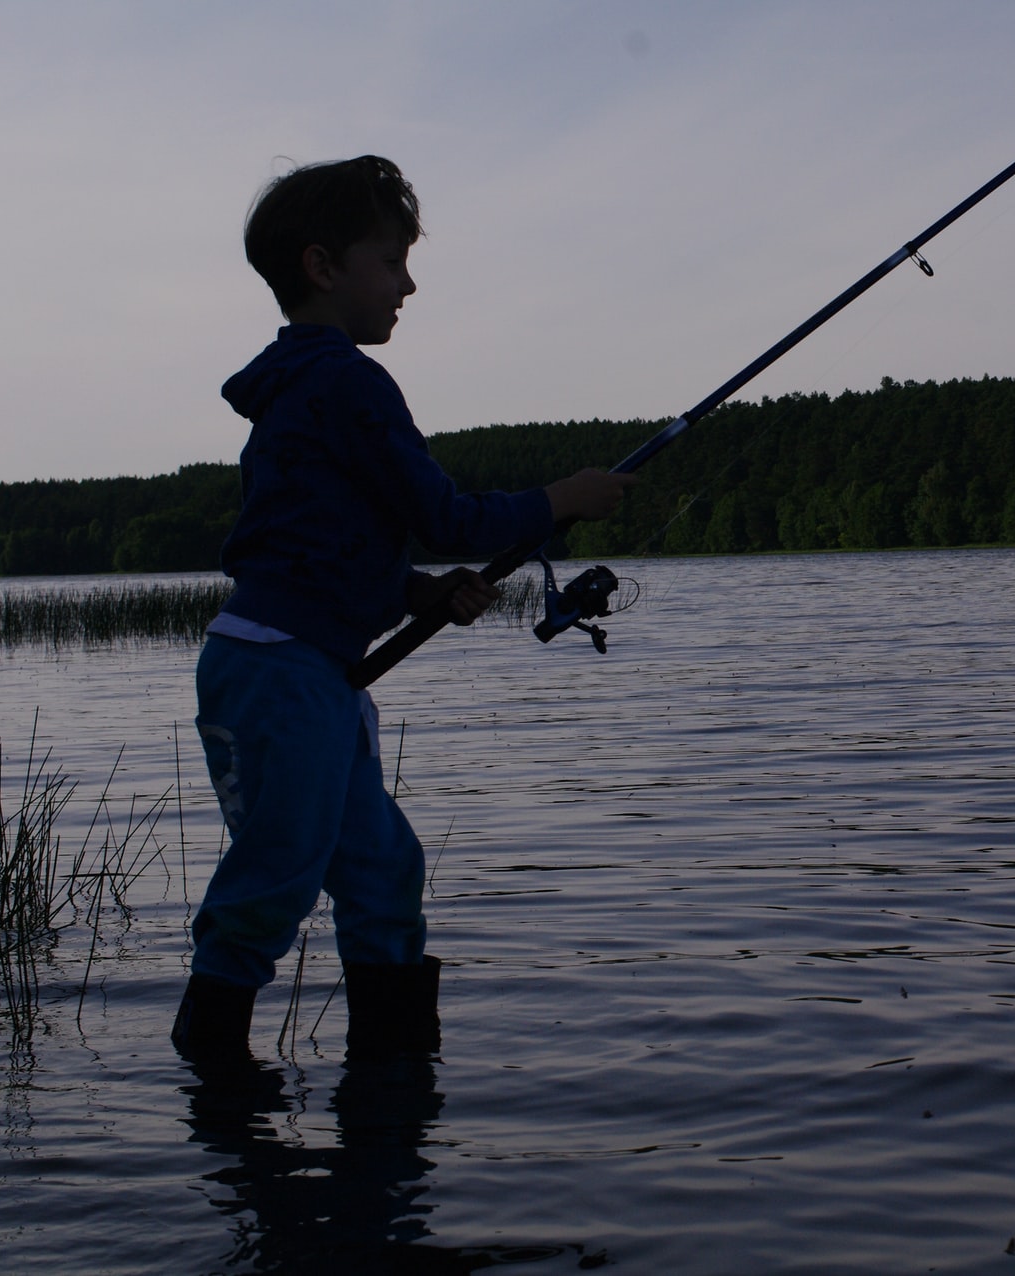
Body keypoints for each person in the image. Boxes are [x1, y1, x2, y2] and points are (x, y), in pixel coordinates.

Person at [172, 155, 631, 1066]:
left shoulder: (307, 391)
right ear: (322, 267)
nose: (408, 283)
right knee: (275, 879)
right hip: (281, 671)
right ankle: (216, 1083)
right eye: (390, 261)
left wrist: (416, 596)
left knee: (383, 871)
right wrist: (560, 496)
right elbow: (442, 515)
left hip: (313, 667)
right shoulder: (344, 381)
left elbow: (320, 540)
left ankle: (392, 1084)